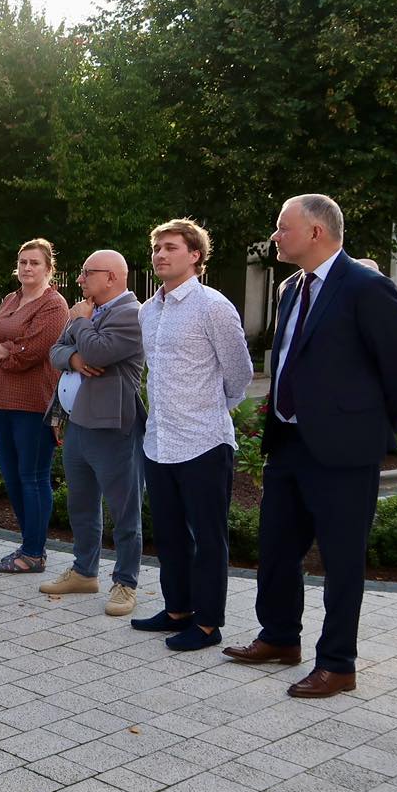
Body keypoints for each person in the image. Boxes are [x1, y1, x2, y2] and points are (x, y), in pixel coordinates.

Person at [223, 195, 397, 698]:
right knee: (276, 548)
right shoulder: (291, 287)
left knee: (341, 560)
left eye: (282, 227)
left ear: (315, 232)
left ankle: (337, 664)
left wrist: (370, 429)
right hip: (289, 441)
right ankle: (279, 637)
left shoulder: (367, 287)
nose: (275, 236)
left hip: (345, 452)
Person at [135, 220, 253, 650]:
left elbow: (240, 373)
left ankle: (207, 624)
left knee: (208, 538)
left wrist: (209, 408)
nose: (160, 255)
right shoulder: (148, 311)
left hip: (204, 441)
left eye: (171, 248)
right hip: (159, 442)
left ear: (195, 255)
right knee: (169, 534)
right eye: (157, 248)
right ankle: (177, 610)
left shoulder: (213, 306)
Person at [39, 250, 146, 616]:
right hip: (79, 424)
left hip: (113, 426)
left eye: (87, 273)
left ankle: (126, 582)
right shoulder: (86, 310)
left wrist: (82, 325)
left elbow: (99, 353)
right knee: (81, 504)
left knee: (124, 510)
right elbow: (55, 351)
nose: (80, 279)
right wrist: (74, 358)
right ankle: (84, 571)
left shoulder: (131, 314)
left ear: (111, 277)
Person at [0, 240, 68, 574]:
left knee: (32, 476)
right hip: (0, 398)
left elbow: (33, 351)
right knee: (12, 475)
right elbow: (7, 341)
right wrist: (3, 347)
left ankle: (34, 552)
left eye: (34, 263)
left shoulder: (54, 305)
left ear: (48, 269)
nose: (27, 268)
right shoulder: (10, 299)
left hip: (33, 401)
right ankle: (28, 544)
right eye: (22, 262)